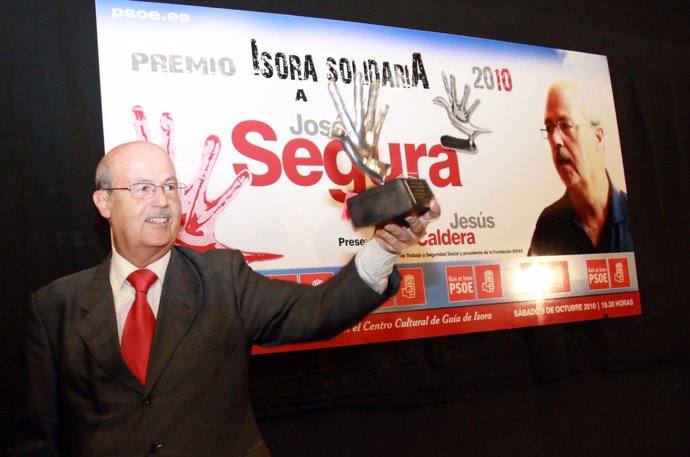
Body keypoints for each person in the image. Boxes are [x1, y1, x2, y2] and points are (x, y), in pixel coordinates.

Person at [7, 141, 440, 456]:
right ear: (103, 203)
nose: (162, 202)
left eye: (171, 187)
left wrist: (383, 248)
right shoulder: (54, 306)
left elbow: (315, 312)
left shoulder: (223, 278)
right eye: (142, 189)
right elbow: (36, 435)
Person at [528, 81, 633, 256]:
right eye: (549, 128)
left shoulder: (634, 215)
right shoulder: (548, 225)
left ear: (597, 136)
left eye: (566, 125)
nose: (555, 140)